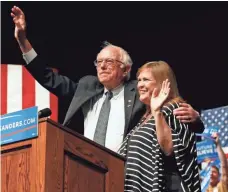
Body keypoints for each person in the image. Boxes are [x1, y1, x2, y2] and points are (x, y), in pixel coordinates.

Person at [11, 6, 204, 152]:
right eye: (99, 62)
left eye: (109, 62)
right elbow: (47, 77)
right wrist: (22, 41)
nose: (102, 66)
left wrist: (196, 119)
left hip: (125, 171)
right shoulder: (87, 86)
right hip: (85, 165)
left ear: (125, 69)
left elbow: (167, 100)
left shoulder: (138, 89)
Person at [119, 61, 201, 192]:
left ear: (163, 83)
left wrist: (157, 112)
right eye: (139, 80)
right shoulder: (144, 116)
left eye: (145, 80)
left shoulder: (175, 109)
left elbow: (169, 149)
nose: (140, 85)